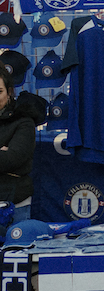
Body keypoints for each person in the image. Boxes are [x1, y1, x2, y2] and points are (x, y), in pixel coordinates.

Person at [0, 68, 49, 213]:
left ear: (9, 93)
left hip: (14, 201)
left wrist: (7, 158)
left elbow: (14, 159)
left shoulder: (24, 121)